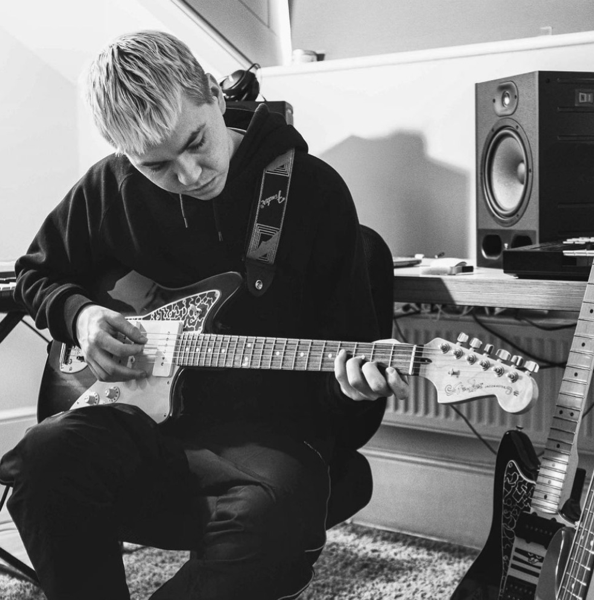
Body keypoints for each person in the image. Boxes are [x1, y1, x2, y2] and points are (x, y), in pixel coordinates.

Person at [0, 30, 408, 600]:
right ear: (124, 155)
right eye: (157, 165)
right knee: (42, 460)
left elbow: (348, 392)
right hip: (133, 421)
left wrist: (352, 390)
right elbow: (35, 274)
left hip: (265, 437)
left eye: (196, 141)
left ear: (215, 95)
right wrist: (82, 315)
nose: (190, 175)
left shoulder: (311, 192)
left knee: (279, 518)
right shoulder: (108, 188)